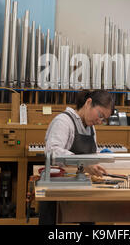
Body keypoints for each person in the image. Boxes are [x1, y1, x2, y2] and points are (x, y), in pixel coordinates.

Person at [38, 89, 114, 224]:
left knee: (88, 219)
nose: (100, 121)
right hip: (57, 189)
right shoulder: (63, 121)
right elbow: (52, 151)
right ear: (88, 103)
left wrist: (99, 158)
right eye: (100, 114)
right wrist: (83, 163)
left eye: (104, 119)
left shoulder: (90, 127)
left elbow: (90, 153)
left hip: (80, 187)